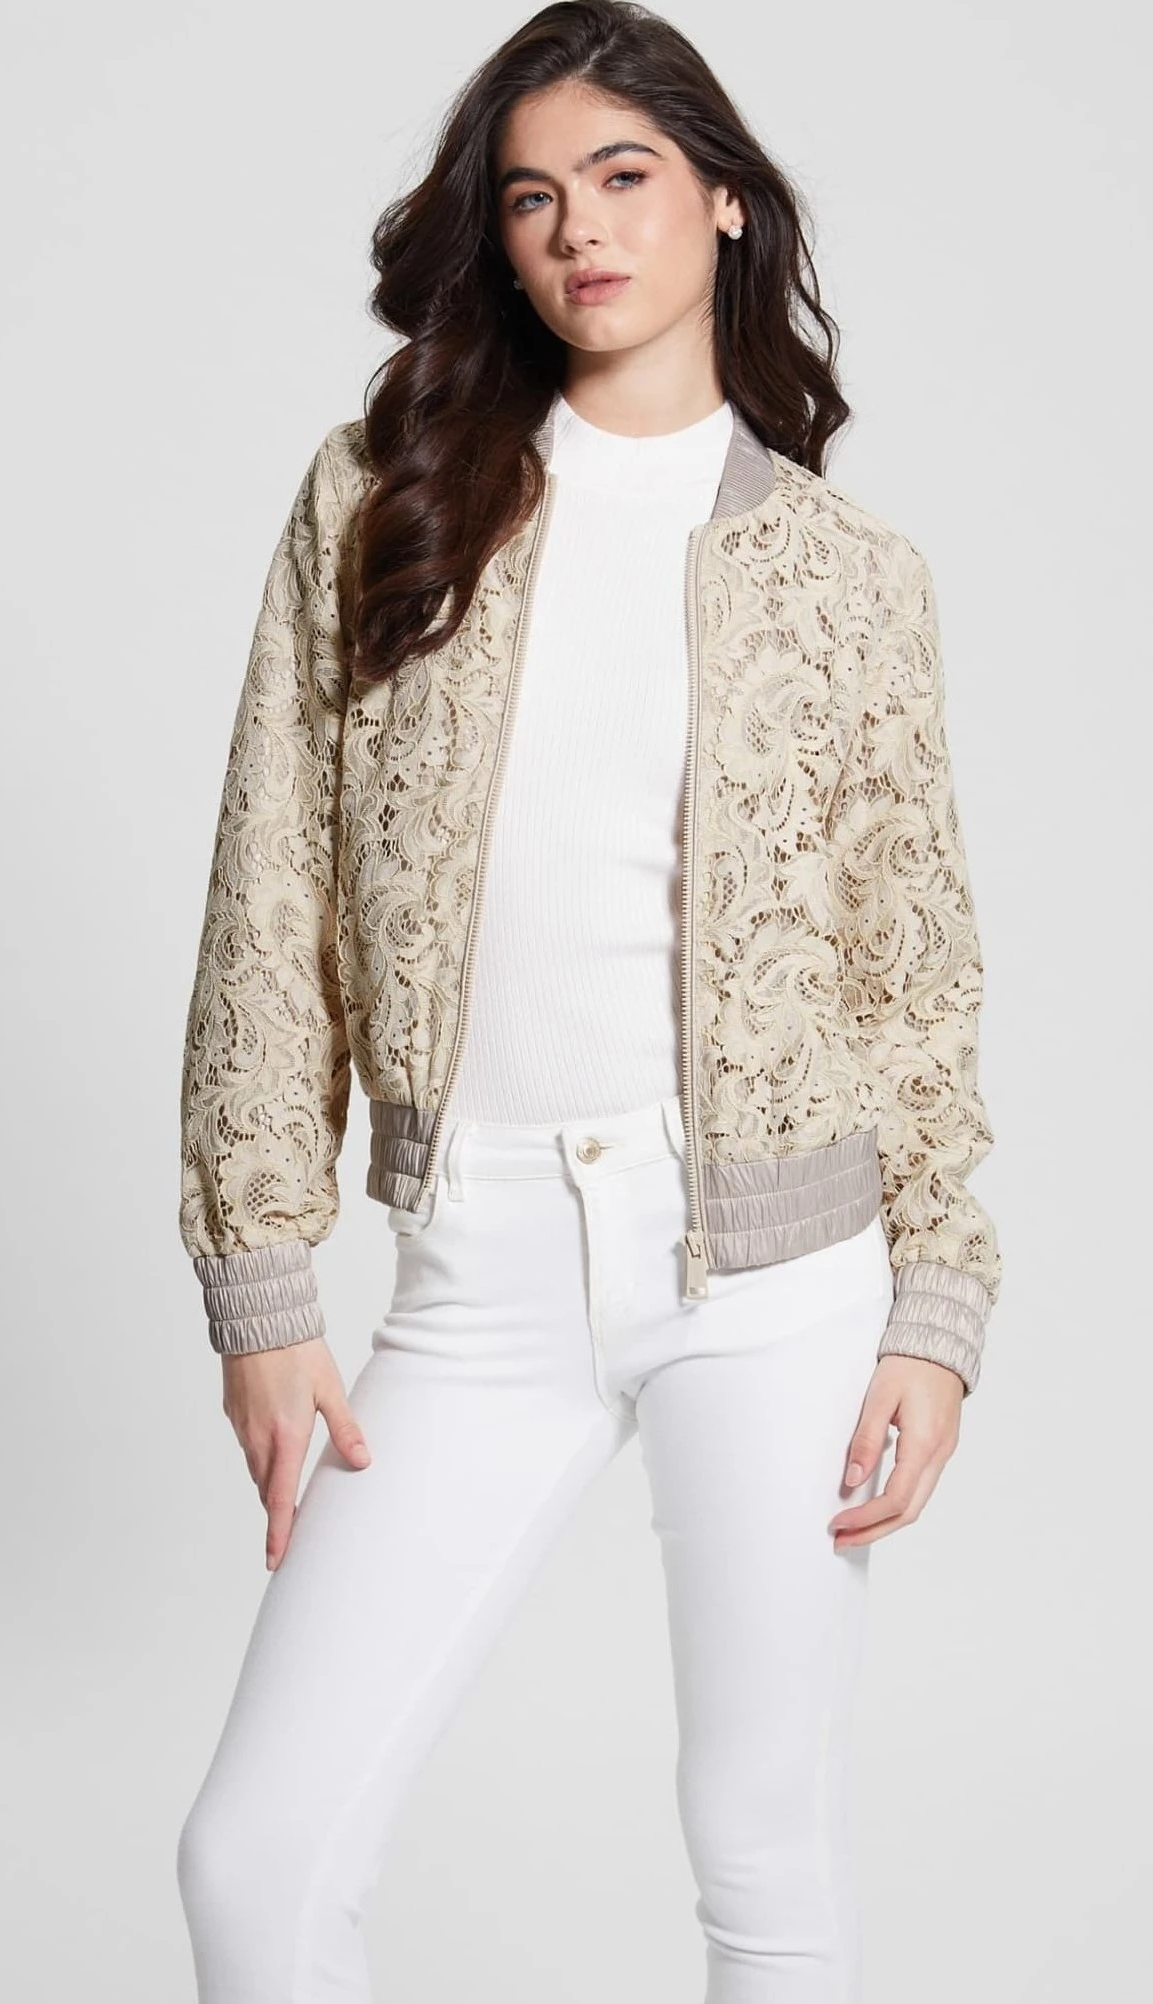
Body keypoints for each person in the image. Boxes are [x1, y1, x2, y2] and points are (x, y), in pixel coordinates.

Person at [173, 5, 1002, 1999]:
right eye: (534, 197)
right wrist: (263, 1284)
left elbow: (914, 965)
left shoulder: (848, 574)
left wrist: (940, 1309)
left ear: (725, 203)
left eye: (625, 177)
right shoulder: (381, 498)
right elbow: (267, 888)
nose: (580, 231)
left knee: (764, 1850)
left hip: (779, 1276)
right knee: (257, 1859)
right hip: (483, 1267)